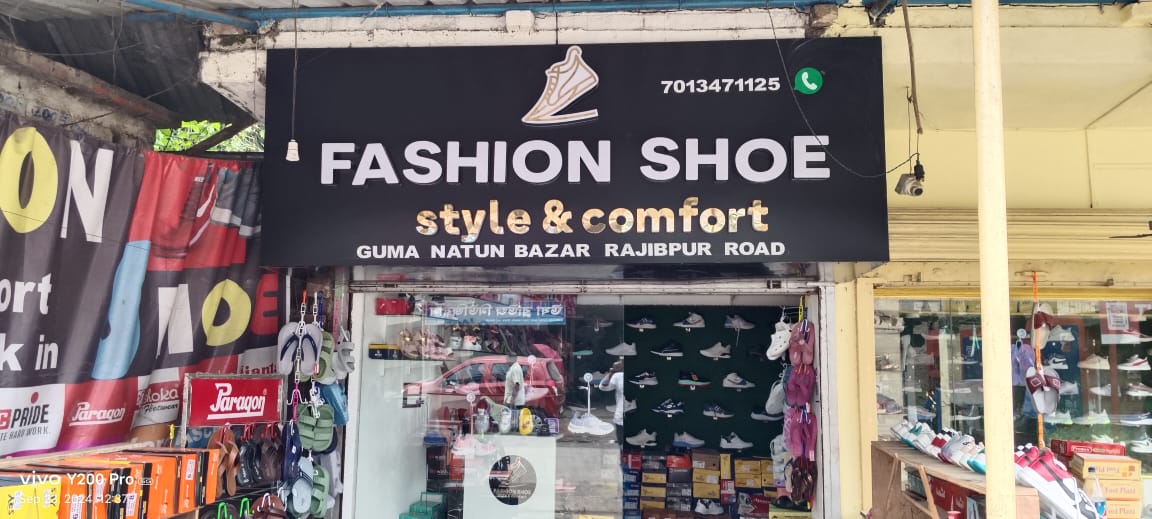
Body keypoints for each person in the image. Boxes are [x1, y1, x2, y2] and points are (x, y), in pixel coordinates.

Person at [598, 358, 625, 444]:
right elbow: (603, 387)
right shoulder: (618, 376)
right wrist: (612, 372)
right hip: (621, 415)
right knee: (622, 443)